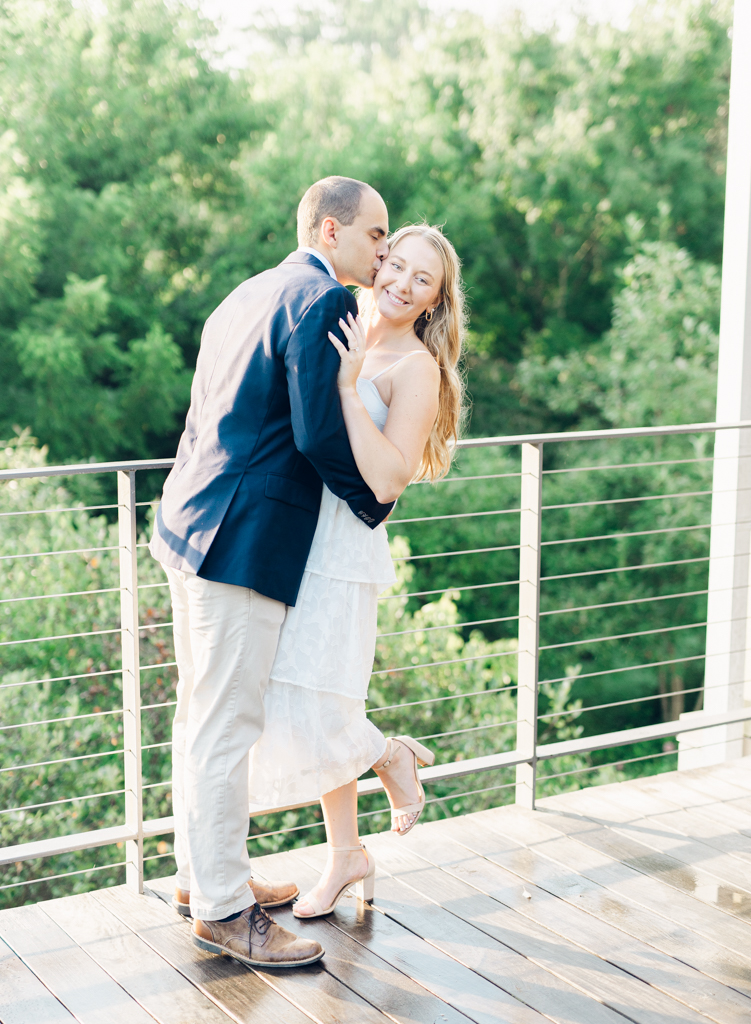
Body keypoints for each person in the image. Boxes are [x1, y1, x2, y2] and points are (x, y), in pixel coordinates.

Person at [149, 176, 395, 968]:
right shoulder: (324, 303)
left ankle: (202, 876)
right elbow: (320, 429)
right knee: (226, 725)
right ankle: (223, 910)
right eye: (374, 233)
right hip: (242, 542)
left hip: (188, 527)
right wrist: (373, 503)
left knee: (200, 715)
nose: (383, 248)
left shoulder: (245, 293)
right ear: (330, 230)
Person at [245, 224, 466, 919]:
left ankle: (387, 759)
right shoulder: (334, 320)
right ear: (375, 264)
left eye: (420, 279)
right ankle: (347, 850)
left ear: (435, 300)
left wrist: (344, 389)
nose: (401, 283)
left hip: (342, 551)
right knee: (299, 699)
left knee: (321, 698)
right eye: (395, 265)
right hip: (290, 536)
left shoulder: (414, 368)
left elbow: (387, 479)